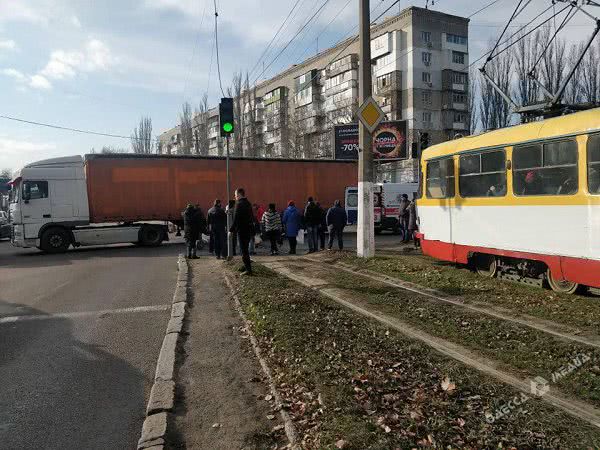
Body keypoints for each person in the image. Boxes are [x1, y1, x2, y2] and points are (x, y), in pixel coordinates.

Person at [230, 188, 254, 275]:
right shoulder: (248, 203)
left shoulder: (239, 204)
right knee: (245, 249)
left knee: (243, 250)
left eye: (235, 194)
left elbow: (236, 219)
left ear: (239, 194)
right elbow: (251, 216)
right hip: (248, 229)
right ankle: (246, 266)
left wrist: (230, 230)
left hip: (242, 230)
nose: (235, 196)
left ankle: (248, 270)